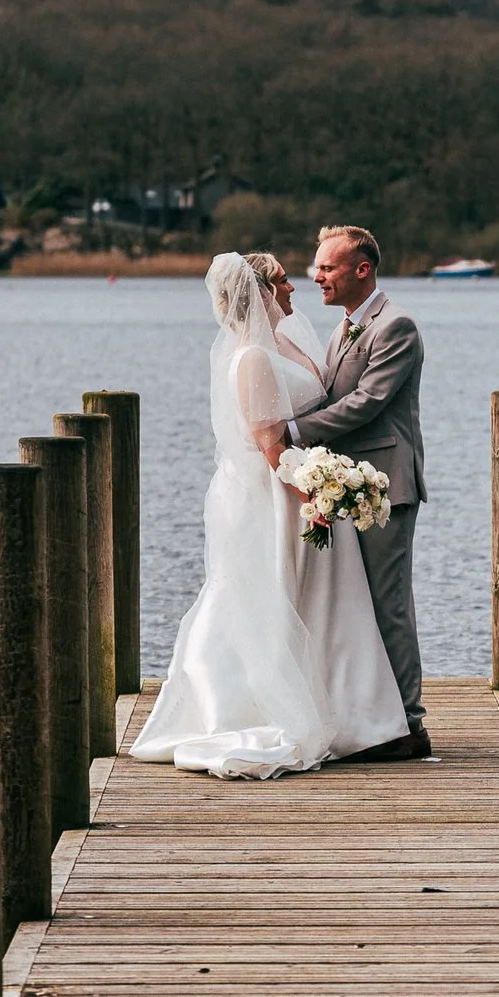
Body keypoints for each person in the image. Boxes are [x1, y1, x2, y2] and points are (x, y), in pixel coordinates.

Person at [128, 252, 410, 779]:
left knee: (320, 603)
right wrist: (318, 498)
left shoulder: (289, 341)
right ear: (259, 292)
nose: (292, 290)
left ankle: (351, 712)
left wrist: (322, 486)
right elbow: (269, 445)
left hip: (299, 486)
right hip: (275, 493)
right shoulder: (251, 359)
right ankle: (248, 706)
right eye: (282, 282)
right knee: (266, 596)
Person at [291, 224, 430, 761]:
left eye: (326, 267)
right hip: (350, 484)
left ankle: (410, 725)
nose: (317, 276)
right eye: (317, 266)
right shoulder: (345, 326)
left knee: (388, 602)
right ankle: (374, 717)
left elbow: (367, 403)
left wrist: (296, 431)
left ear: (361, 269)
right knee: (357, 602)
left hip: (387, 485)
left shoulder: (396, 326)